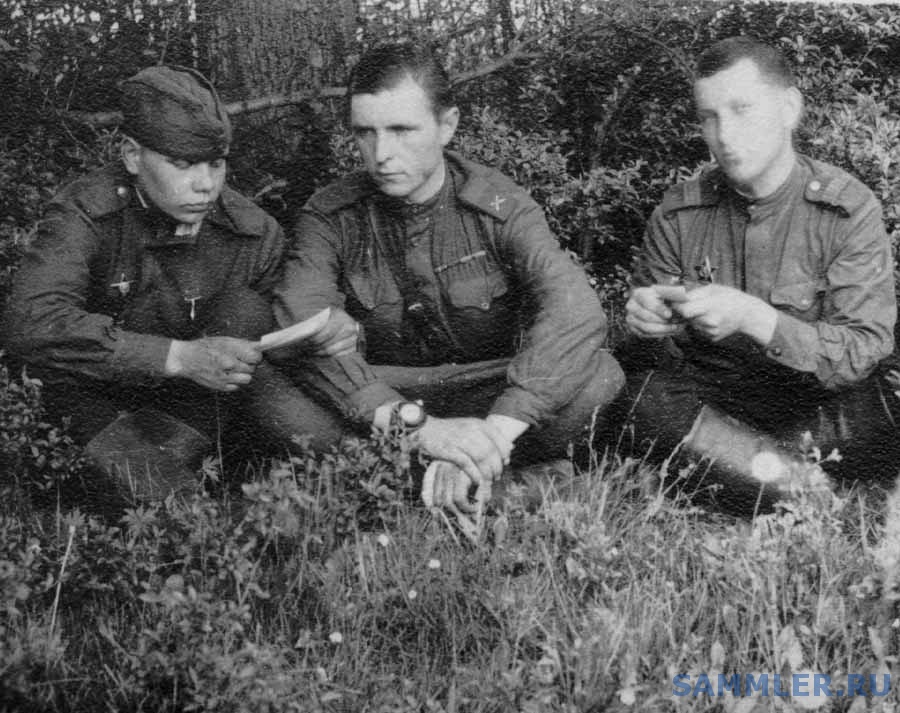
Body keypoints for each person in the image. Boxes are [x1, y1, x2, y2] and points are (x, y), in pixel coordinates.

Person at [260, 43, 625, 512]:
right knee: (270, 386)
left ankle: (414, 481)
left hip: (485, 395)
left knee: (600, 374)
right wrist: (423, 431)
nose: (382, 154)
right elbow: (301, 325)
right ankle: (501, 485)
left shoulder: (499, 206)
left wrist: (497, 430)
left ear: (447, 125)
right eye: (365, 133)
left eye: (402, 130)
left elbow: (574, 310)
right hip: (382, 400)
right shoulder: (330, 216)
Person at [623, 36, 898, 510]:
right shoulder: (678, 214)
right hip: (717, 410)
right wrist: (645, 322)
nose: (724, 135)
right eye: (709, 117)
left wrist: (755, 318)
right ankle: (796, 484)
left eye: (742, 109)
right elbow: (653, 366)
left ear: (789, 108)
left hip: (818, 408)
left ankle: (747, 473)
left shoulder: (847, 208)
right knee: (635, 397)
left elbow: (860, 351)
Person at [2, 65, 286, 504]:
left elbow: (275, 351)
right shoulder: (85, 211)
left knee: (249, 310)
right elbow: (32, 321)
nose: (205, 185)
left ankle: (153, 481)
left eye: (216, 163)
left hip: (189, 407)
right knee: (168, 508)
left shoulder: (253, 230)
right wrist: (178, 357)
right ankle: (148, 487)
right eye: (182, 164)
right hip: (89, 397)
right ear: (133, 156)